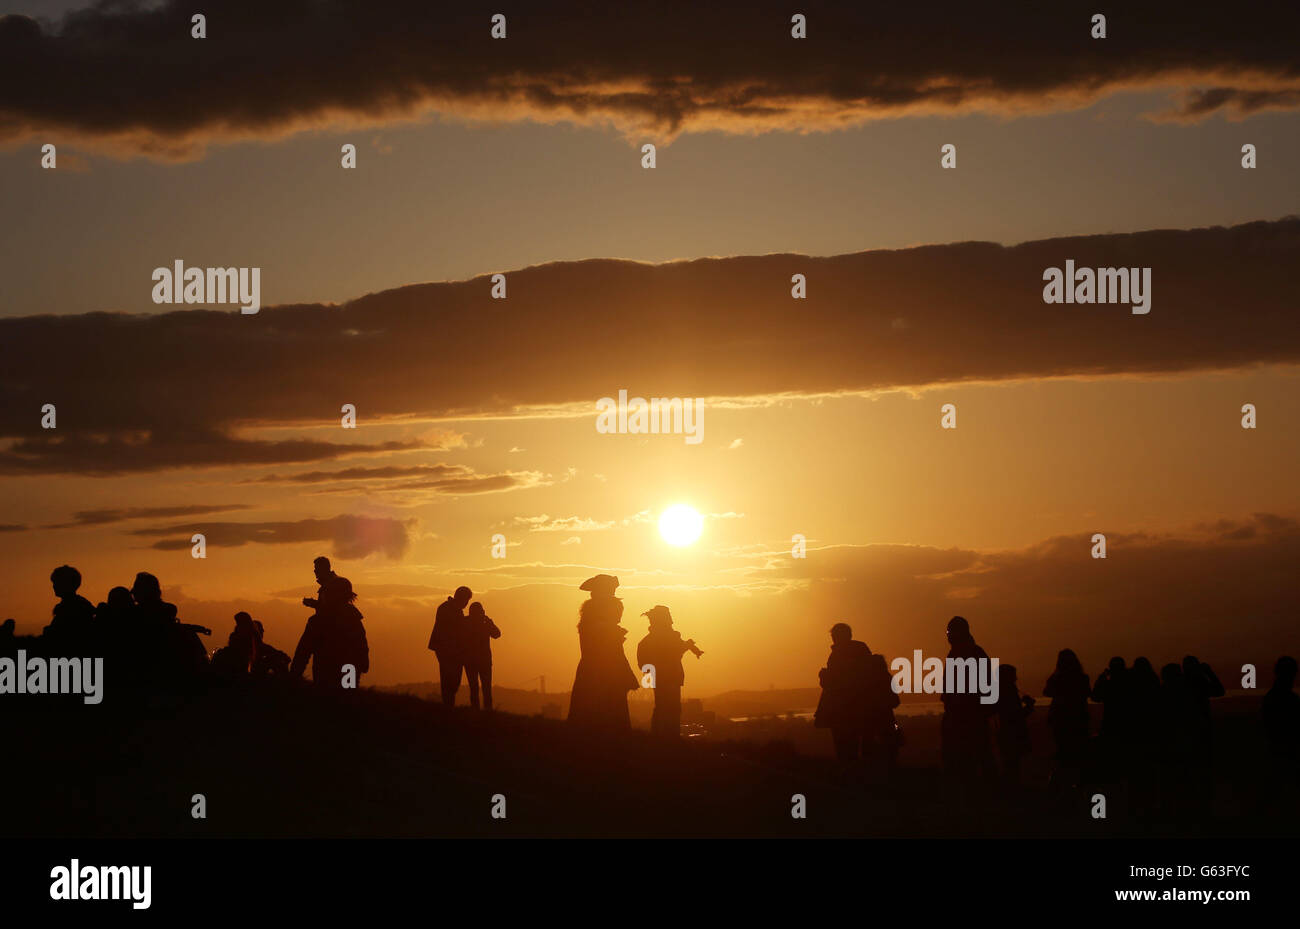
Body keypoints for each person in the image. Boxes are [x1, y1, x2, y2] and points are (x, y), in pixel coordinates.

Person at [567, 575, 639, 731]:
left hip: (590, 670)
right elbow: (615, 653)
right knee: (610, 714)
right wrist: (626, 673)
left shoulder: (589, 620)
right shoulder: (605, 628)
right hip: (606, 673)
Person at [636, 605, 703, 739]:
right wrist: (687, 646)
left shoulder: (648, 640)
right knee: (671, 709)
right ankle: (668, 739)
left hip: (661, 678)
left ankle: (660, 738)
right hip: (669, 678)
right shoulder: (665, 637)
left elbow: (645, 664)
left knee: (662, 708)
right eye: (668, 618)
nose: (671, 621)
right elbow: (673, 652)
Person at [941, 616, 995, 782]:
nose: (948, 635)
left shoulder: (971, 653)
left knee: (974, 755)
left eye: (950, 632)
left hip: (970, 715)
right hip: (964, 715)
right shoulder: (960, 653)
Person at [291, 576, 368, 688]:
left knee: (327, 700)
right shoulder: (353, 619)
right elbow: (361, 645)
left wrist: (294, 675)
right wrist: (364, 663)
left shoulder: (318, 621)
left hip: (324, 671)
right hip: (349, 669)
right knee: (348, 698)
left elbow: (303, 651)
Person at [814, 623, 872, 763]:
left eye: (834, 636)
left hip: (841, 709)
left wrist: (824, 675)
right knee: (859, 744)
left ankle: (849, 774)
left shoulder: (838, 654)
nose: (832, 639)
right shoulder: (861, 649)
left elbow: (834, 683)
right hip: (862, 708)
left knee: (844, 746)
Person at [1043, 648, 1091, 787]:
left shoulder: (1057, 678)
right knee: (1079, 750)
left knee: (1063, 751)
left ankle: (1064, 783)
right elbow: (1088, 692)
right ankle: (1079, 782)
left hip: (1060, 718)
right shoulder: (1082, 678)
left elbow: (1047, 691)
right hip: (1078, 718)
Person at [429, 586, 472, 705]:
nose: (467, 603)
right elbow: (454, 629)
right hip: (448, 649)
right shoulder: (451, 609)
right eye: (466, 600)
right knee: (451, 678)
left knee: (449, 677)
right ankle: (448, 704)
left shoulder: (448, 608)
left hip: (445, 648)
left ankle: (448, 704)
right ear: (461, 598)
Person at [994, 663, 1034, 787]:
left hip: (1005, 731)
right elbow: (1016, 716)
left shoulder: (1000, 691)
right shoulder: (1009, 692)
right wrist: (1029, 707)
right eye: (1013, 676)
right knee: (1012, 763)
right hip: (1013, 732)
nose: (1016, 679)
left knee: (1009, 763)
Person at [43, 564, 96, 654]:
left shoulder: (74, 606)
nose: (54, 586)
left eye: (56, 582)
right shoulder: (77, 604)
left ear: (67, 584)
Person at [462, 602, 501, 710]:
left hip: (470, 661)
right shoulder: (484, 623)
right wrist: (490, 623)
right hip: (484, 661)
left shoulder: (465, 622)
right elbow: (497, 634)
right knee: (486, 688)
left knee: (474, 688)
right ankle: (487, 711)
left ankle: (476, 710)